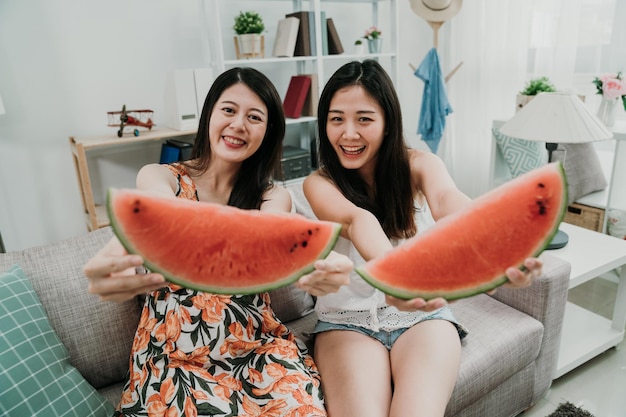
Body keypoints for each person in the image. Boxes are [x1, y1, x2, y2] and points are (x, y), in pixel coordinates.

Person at [83, 67, 352, 417]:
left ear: (268, 132)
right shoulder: (158, 176)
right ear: (209, 114)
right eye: (228, 110)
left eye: (254, 117)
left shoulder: (273, 197)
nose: (238, 124)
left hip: (260, 351)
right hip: (176, 360)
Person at [303, 59, 543, 417]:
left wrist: (497, 241)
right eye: (336, 119)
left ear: (387, 123)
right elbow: (357, 220)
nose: (348, 133)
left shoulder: (420, 164)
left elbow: (448, 200)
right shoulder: (319, 183)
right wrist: (396, 277)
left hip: (422, 320)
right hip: (344, 322)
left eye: (364, 119)